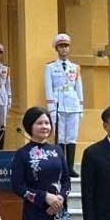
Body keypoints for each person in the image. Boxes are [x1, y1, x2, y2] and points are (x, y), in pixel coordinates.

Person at [44, 33, 83, 178]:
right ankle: (60, 167)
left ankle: (70, 167)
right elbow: (48, 88)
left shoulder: (75, 67)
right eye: (61, 46)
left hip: (73, 104)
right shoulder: (50, 67)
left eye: (66, 46)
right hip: (58, 104)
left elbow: (78, 87)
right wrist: (51, 107)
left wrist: (80, 106)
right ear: (56, 48)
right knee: (60, 137)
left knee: (71, 137)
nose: (64, 49)